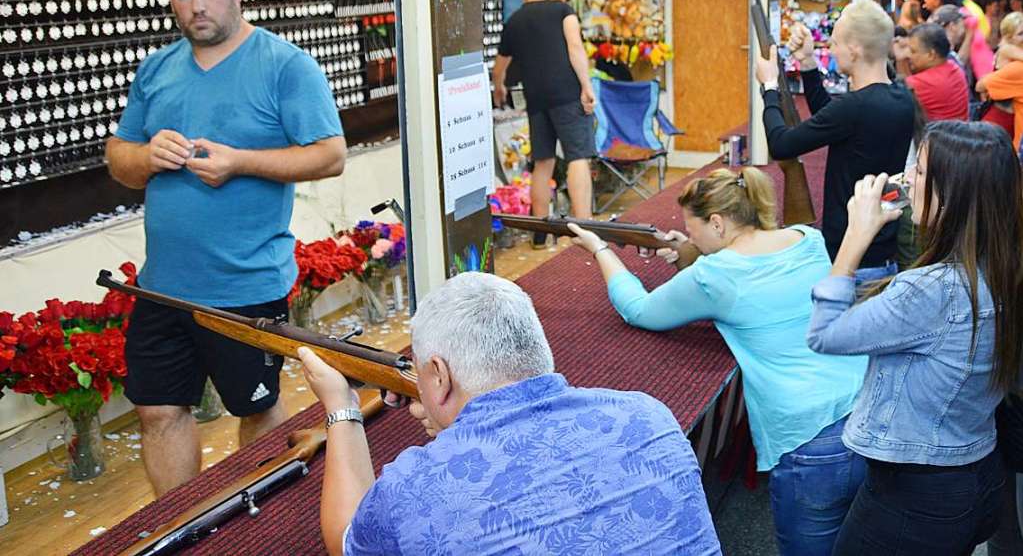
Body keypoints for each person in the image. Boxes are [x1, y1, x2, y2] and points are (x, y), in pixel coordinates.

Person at [105, 0, 346, 496]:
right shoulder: (157, 68)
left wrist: (241, 163)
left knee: (256, 412)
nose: (197, 7)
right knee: (158, 412)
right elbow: (119, 158)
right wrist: (145, 157)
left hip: (245, 286)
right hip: (165, 285)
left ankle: (258, 524)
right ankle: (181, 526)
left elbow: (330, 154)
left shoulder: (285, 66)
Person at [298, 272, 721, 556]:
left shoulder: (412, 486)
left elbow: (347, 539)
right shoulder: (649, 415)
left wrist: (341, 407)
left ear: (439, 377)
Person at [567, 167, 866, 556]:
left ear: (718, 223)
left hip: (808, 439)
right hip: (869, 415)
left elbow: (639, 309)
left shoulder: (714, 274)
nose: (690, 238)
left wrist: (600, 249)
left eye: (693, 231)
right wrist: (687, 254)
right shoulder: (807, 238)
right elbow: (760, 287)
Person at [807, 121, 1023, 555]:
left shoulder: (932, 289)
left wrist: (855, 236)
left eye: (919, 172)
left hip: (916, 494)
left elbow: (824, 334)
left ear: (951, 192)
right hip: (977, 470)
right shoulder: (1006, 264)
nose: (905, 180)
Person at [755, 1, 915, 276]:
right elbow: (832, 118)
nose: (830, 48)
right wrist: (807, 64)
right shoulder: (901, 97)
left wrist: (769, 87)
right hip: (882, 250)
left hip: (851, 260)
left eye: (835, 42)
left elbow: (782, 145)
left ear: (854, 49)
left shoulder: (855, 107)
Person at [492, 0, 596, 245]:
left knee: (543, 161)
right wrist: (586, 86)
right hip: (567, 94)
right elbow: (575, 48)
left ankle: (540, 233)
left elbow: (499, 67)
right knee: (577, 156)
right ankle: (583, 227)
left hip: (535, 99)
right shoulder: (563, 10)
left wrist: (499, 89)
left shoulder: (514, 21)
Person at [901, 23, 969, 121]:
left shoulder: (923, 82)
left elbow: (896, 95)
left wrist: (900, 60)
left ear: (931, 55)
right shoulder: (954, 67)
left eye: (913, 51)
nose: (908, 55)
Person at [977, 11, 1023, 152]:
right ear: (1008, 37)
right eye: (1020, 34)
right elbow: (981, 86)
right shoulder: (1009, 53)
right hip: (1003, 115)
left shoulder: (1015, 63)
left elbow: (980, 86)